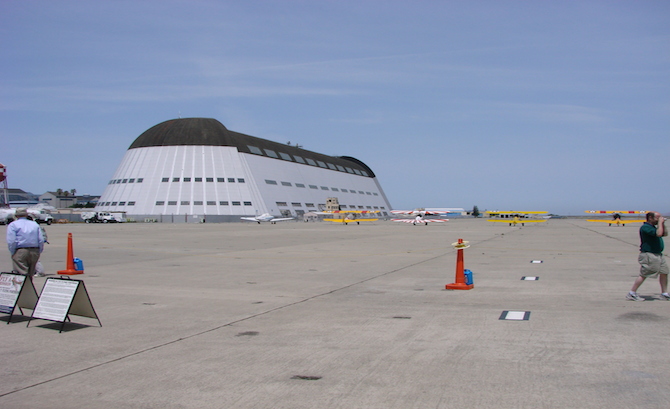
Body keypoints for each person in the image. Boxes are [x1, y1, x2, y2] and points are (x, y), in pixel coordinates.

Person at [627, 211, 668, 301]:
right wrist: (660, 223)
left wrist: (662, 224)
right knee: (644, 274)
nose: (659, 219)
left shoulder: (654, 227)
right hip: (649, 255)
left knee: (664, 272)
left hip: (658, 254)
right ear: (650, 218)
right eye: (657, 217)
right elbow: (659, 234)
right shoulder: (645, 227)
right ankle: (632, 293)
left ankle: (664, 293)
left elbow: (664, 233)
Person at [6, 208, 45, 279]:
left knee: (21, 275)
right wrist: (39, 250)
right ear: (26, 215)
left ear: (16, 216)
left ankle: (25, 288)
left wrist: (13, 252)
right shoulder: (34, 224)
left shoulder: (13, 225)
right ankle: (29, 288)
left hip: (21, 250)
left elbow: (11, 241)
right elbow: (41, 239)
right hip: (34, 250)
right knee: (31, 274)